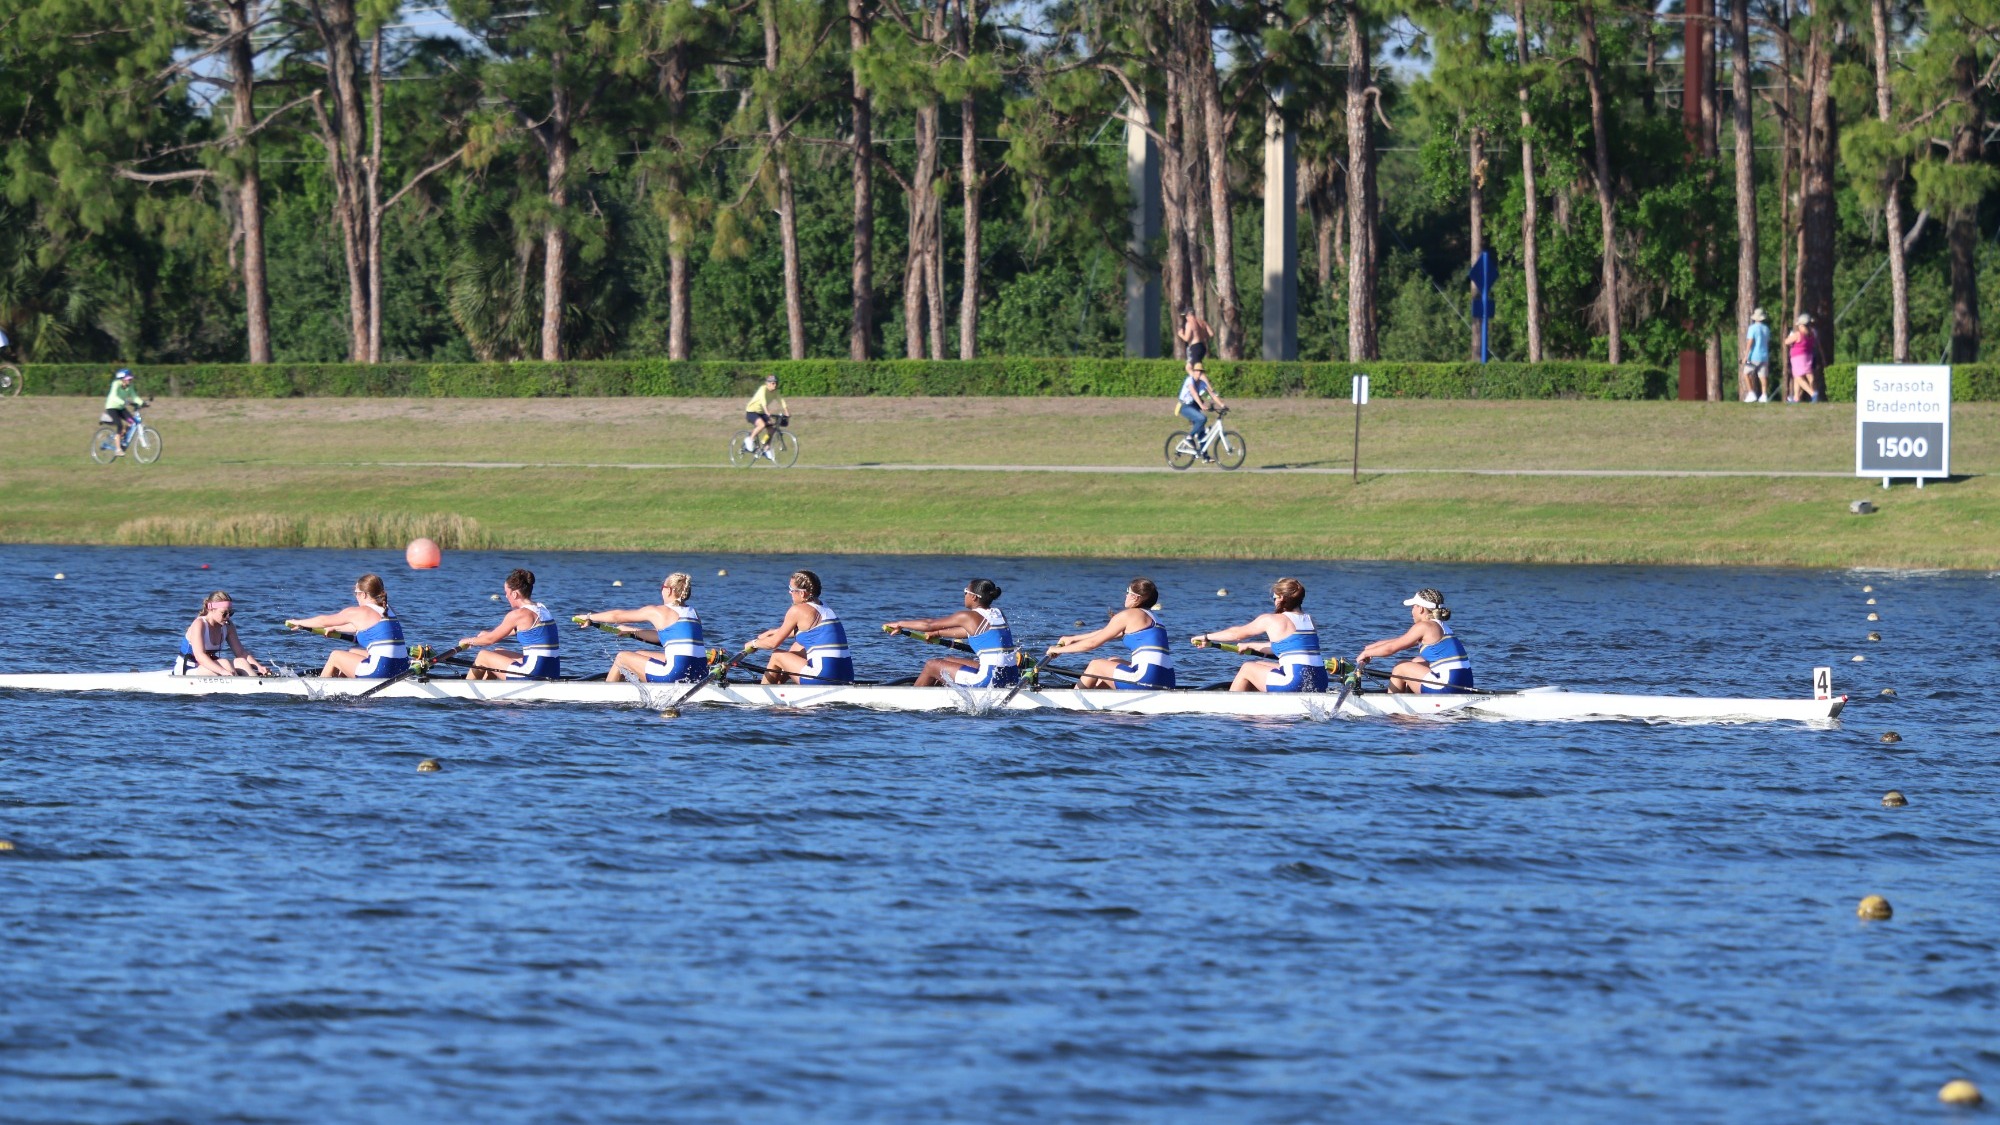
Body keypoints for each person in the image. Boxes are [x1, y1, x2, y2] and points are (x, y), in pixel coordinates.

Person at [1190, 577, 1326, 693]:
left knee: (1247, 668)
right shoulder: (1310, 620)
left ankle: (1230, 708)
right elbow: (1286, 647)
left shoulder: (1271, 619)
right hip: (1320, 681)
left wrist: (1207, 637)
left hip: (1295, 683)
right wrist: (1250, 645)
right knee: (1260, 664)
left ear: (1281, 598)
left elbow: (1237, 634)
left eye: (1274, 597)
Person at [882, 578, 1020, 688]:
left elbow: (928, 624)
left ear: (974, 597)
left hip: (989, 680)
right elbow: (968, 633)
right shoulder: (997, 613)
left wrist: (899, 623)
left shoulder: (967, 616)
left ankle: (913, 698)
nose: (964, 595)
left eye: (966, 591)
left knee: (932, 665)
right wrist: (938, 633)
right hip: (1011, 675)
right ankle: (940, 690)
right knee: (948, 660)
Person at [1044, 578, 1175, 690]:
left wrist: (1058, 649)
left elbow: (1092, 644)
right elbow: (1107, 632)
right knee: (1113, 660)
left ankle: (1073, 700)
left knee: (1096, 665)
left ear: (1135, 597)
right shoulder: (1153, 618)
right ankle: (1097, 697)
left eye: (1127, 592)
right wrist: (1072, 639)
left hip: (1146, 679)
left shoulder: (1128, 615)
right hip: (1167, 679)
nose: (1125, 595)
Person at [578, 571, 707, 684]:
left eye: (662, 587)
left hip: (675, 676)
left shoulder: (659, 611)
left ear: (669, 590)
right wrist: (633, 631)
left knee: (622, 658)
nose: (661, 590)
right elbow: (662, 637)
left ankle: (606, 695)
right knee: (639, 654)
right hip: (700, 674)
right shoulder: (693, 613)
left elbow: (617, 615)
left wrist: (589, 617)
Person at [285, 574, 409, 679]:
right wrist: (336, 628)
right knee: (352, 652)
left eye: (356, 593)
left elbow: (323, 621)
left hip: (381, 671)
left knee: (335, 656)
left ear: (364, 595)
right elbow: (358, 627)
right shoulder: (387, 609)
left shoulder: (358, 612)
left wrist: (299, 622)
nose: (355, 596)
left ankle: (321, 690)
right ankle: (345, 686)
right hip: (402, 668)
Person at [1356, 588, 1474, 694]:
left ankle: (1393, 708)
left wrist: (1366, 654)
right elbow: (1398, 641)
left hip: (1448, 687)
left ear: (1421, 609)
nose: (1411, 611)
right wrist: (1370, 649)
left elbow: (1391, 649)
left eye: (1413, 606)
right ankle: (1409, 699)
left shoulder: (1424, 626)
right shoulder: (1441, 627)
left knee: (1400, 667)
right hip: (1465, 685)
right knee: (1417, 661)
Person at [749, 569, 853, 685]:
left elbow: (773, 643)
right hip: (846, 676)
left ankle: (763, 695)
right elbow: (800, 631)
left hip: (823, 677)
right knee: (797, 646)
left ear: (802, 593)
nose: (789, 592)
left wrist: (753, 644)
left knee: (777, 655)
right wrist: (772, 632)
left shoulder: (797, 610)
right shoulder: (824, 608)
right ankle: (778, 685)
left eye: (791, 589)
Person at [459, 568, 561, 680]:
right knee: (499, 652)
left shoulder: (518, 614)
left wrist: (469, 641)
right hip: (553, 670)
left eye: (506, 593)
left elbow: (490, 640)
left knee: (483, 656)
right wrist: (488, 633)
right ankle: (488, 691)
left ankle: (465, 691)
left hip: (534, 674)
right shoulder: (542, 608)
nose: (506, 596)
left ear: (514, 594)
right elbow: (517, 630)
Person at [177, 590, 271, 677]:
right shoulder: (199, 624)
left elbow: (241, 653)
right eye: (224, 613)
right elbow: (200, 656)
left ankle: (258, 686)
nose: (228, 617)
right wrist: (222, 671)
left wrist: (259, 667)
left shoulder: (228, 626)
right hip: (188, 669)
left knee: (241, 662)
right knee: (225, 663)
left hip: (209, 666)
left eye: (230, 613)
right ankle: (240, 688)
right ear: (211, 609)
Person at [1176, 363, 1228, 459]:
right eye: (1197, 371)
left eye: (1201, 371)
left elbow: (1212, 395)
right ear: (1194, 371)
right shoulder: (1189, 380)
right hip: (1184, 406)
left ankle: (1205, 456)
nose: (1199, 373)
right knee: (1202, 418)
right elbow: (1194, 393)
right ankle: (1189, 438)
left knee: (1202, 431)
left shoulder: (1202, 383)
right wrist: (1201, 405)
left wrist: (1222, 405)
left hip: (1193, 406)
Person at [742, 374, 790, 456]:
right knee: (761, 425)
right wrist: (767, 411)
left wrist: (786, 412)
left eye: (776, 383)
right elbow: (763, 400)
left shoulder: (775, 392)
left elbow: (781, 401)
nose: (775, 385)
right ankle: (749, 439)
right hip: (751, 411)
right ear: (767, 383)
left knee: (771, 430)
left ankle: (766, 448)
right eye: (772, 383)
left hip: (761, 412)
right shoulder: (762, 389)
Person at [101, 368, 145, 455]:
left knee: (132, 422)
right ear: (122, 379)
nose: (130, 380)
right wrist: (124, 402)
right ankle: (118, 450)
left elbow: (134, 396)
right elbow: (113, 396)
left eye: (131, 378)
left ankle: (122, 437)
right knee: (119, 425)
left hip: (121, 408)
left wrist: (142, 403)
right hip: (112, 407)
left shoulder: (130, 387)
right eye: (129, 378)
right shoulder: (115, 384)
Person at [1784, 313, 1822, 403]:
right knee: (1806, 375)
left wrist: (1790, 336)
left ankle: (1812, 393)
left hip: (1798, 357)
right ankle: (1796, 397)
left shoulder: (1798, 334)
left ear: (1801, 325)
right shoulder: (1812, 333)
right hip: (1808, 356)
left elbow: (1786, 342)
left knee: (1798, 377)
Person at [1739, 307, 1772, 402]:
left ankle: (1751, 393)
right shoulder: (1766, 329)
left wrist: (1745, 356)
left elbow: (1750, 342)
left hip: (1754, 356)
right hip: (1764, 356)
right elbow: (1767, 341)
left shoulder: (1752, 328)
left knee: (1746, 373)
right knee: (1763, 376)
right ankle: (1764, 395)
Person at [1175, 308, 1213, 373]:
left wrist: (1180, 334)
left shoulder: (1189, 324)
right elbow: (1211, 334)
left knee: (1195, 370)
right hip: (1202, 347)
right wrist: (1202, 337)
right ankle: (1194, 381)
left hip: (1195, 348)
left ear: (1189, 315)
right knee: (1190, 367)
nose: (1186, 318)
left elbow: (1187, 339)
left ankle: (1205, 382)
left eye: (1186, 316)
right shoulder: (1202, 322)